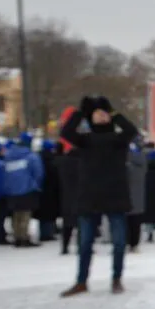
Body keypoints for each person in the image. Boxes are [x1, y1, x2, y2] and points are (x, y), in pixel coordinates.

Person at [58, 97, 139, 295]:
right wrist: (81, 112)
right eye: (97, 113)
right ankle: (81, 281)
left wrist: (113, 112)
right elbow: (66, 132)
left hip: (115, 195)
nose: (101, 116)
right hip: (90, 196)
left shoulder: (118, 139)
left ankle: (116, 278)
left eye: (104, 113)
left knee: (119, 242)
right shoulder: (85, 140)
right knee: (85, 243)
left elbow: (131, 130)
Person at [1, 133, 44, 247]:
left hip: (11, 191)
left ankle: (17, 236)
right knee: (25, 214)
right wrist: (36, 185)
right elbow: (38, 173)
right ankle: (24, 237)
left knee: (16, 214)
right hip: (27, 189)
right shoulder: (31, 156)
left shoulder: (8, 156)